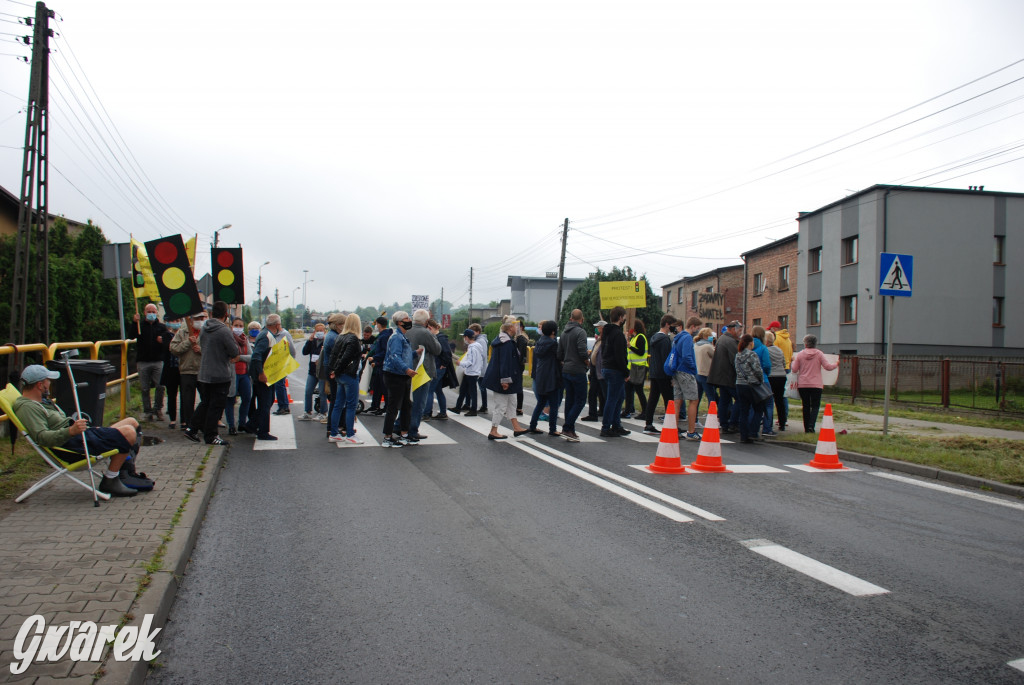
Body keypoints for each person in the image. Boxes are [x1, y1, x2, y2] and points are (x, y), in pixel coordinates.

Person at [14, 365, 143, 497]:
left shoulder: (42, 402)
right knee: (129, 432)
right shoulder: (28, 407)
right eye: (48, 381)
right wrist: (71, 431)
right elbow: (42, 437)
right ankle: (110, 480)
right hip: (73, 447)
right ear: (40, 385)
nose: (50, 383)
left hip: (80, 437)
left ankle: (124, 470)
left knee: (132, 422)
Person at [184, 301, 239, 446]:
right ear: (226, 315)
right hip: (220, 374)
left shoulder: (204, 328)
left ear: (212, 313)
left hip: (204, 373)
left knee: (205, 403)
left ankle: (192, 428)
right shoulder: (224, 330)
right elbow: (234, 351)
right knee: (216, 406)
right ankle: (211, 435)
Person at [483, 316, 527, 440]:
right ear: (510, 327)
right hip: (503, 379)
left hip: (505, 378)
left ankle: (516, 427)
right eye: (516, 324)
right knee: (501, 406)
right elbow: (505, 363)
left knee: (512, 403)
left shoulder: (505, 340)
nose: (518, 327)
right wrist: (505, 381)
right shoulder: (506, 343)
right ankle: (493, 430)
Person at [402, 309, 441, 441]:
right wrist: (433, 334)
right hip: (422, 370)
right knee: (419, 403)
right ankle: (413, 430)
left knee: (406, 401)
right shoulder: (425, 333)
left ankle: (400, 425)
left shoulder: (407, 330)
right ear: (426, 321)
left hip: (407, 369)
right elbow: (437, 349)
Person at [246, 313, 287, 441]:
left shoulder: (266, 334)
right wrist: (261, 373)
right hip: (264, 375)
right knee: (265, 403)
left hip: (267, 374)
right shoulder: (265, 336)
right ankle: (262, 431)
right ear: (277, 325)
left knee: (268, 402)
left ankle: (252, 425)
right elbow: (257, 356)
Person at [380, 311, 418, 447]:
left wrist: (415, 353)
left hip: (402, 375)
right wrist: (406, 369)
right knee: (393, 406)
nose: (410, 320)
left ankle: (404, 434)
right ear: (400, 322)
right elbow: (395, 356)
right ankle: (387, 436)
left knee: (406, 405)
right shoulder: (396, 337)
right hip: (395, 375)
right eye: (407, 318)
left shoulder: (402, 336)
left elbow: (403, 355)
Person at [790, 334, 839, 433]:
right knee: (815, 406)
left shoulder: (800, 354)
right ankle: (811, 426)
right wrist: (836, 364)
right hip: (816, 384)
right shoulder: (819, 354)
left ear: (805, 343)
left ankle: (806, 427)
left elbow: (794, 370)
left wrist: (792, 362)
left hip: (803, 384)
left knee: (806, 406)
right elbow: (827, 367)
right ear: (815, 343)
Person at [328, 313, 364, 444]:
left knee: (338, 404)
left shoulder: (340, 337)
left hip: (339, 375)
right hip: (349, 374)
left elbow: (334, 356)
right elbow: (346, 358)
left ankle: (334, 433)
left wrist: (333, 371)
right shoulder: (354, 339)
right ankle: (350, 434)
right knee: (351, 406)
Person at [169, 310, 207, 432]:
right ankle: (190, 425)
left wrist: (200, 349)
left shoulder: (207, 332)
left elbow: (212, 350)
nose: (200, 321)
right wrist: (188, 343)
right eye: (197, 319)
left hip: (203, 371)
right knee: (187, 401)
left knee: (206, 399)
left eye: (202, 318)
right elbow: (173, 348)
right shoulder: (183, 332)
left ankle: (203, 423)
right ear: (191, 320)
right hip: (187, 371)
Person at [132, 303, 167, 421]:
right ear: (144, 312)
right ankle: (147, 411)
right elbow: (131, 335)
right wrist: (134, 322)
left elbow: (168, 341)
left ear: (157, 312)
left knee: (160, 386)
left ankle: (158, 409)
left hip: (158, 360)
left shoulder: (162, 327)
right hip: (143, 361)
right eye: (149, 311)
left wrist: (163, 340)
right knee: (145, 388)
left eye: (153, 311)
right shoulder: (139, 325)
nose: (151, 313)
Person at [669, 316, 703, 440]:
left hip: (676, 371)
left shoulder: (678, 337)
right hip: (686, 371)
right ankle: (691, 431)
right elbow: (687, 356)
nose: (697, 331)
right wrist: (693, 369)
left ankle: (673, 429)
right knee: (694, 400)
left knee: (677, 401)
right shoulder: (688, 338)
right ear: (692, 326)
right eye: (697, 328)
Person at [557, 309, 589, 443]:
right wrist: (587, 361)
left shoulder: (564, 333)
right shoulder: (581, 332)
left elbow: (559, 354)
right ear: (581, 320)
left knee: (570, 400)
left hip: (566, 369)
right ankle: (567, 426)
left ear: (571, 319)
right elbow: (582, 351)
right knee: (581, 400)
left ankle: (570, 429)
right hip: (578, 370)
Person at [642, 314, 676, 435]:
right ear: (667, 324)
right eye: (672, 326)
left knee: (653, 398)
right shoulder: (665, 340)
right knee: (669, 400)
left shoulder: (654, 337)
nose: (673, 329)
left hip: (654, 372)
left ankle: (648, 423)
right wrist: (671, 376)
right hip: (663, 374)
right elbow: (667, 359)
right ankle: (671, 425)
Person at [529, 320, 563, 437]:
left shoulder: (539, 342)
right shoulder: (553, 344)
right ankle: (552, 429)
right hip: (552, 375)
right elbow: (560, 358)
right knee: (554, 404)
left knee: (541, 402)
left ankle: (533, 425)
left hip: (541, 375)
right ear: (553, 331)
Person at [600, 306, 630, 438]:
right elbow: (619, 355)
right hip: (615, 369)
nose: (624, 319)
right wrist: (626, 371)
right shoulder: (617, 334)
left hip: (607, 367)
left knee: (619, 397)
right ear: (620, 317)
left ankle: (616, 425)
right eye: (624, 316)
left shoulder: (607, 332)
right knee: (612, 399)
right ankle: (606, 427)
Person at [733, 334, 768, 444]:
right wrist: (761, 381)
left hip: (740, 384)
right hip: (752, 385)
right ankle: (753, 432)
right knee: (758, 409)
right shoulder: (752, 354)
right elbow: (758, 370)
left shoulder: (738, 355)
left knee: (744, 411)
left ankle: (744, 435)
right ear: (750, 343)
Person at [708, 320, 741, 432]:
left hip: (721, 376)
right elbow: (735, 360)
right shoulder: (730, 342)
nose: (740, 332)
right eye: (739, 330)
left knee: (724, 400)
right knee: (739, 399)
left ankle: (724, 423)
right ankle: (733, 422)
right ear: (732, 330)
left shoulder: (722, 339)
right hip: (728, 376)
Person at [224, 317, 252, 436]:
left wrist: (240, 358)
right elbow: (227, 356)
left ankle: (242, 423)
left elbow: (251, 356)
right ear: (231, 326)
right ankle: (231, 426)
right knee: (230, 399)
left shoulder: (245, 340)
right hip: (232, 374)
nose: (238, 328)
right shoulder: (228, 338)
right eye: (236, 325)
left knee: (247, 398)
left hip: (244, 373)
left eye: (241, 326)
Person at [423, 319, 453, 421]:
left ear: (430, 328)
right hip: (438, 367)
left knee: (429, 390)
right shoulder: (440, 338)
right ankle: (443, 412)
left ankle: (427, 413)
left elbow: (447, 353)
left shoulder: (439, 338)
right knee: (437, 390)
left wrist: (443, 364)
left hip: (438, 367)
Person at [299, 323, 327, 421]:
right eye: (317, 331)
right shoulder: (312, 341)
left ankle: (323, 412)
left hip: (322, 371)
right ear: (314, 332)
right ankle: (307, 411)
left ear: (325, 331)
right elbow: (304, 352)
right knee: (308, 391)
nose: (319, 332)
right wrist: (309, 341)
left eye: (321, 330)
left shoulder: (326, 342)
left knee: (322, 392)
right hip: (312, 371)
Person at [750, 325, 774, 437]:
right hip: (762, 379)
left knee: (751, 405)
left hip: (748, 380)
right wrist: (766, 374)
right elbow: (767, 364)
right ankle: (767, 428)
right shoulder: (763, 348)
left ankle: (749, 429)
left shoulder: (747, 346)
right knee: (768, 404)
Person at [452, 329, 483, 415]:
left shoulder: (472, 348)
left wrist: (460, 363)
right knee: (464, 390)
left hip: (471, 372)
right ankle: (458, 407)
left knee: (472, 392)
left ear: (466, 337)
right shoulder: (478, 346)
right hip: (472, 372)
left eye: (464, 337)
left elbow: (470, 362)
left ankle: (473, 410)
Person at [160, 316, 183, 429]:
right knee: (172, 394)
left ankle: (184, 420)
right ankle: (173, 419)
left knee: (184, 395)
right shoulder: (166, 335)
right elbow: (169, 347)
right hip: (170, 369)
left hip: (182, 369)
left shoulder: (184, 334)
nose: (176, 323)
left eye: (178, 321)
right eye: (174, 320)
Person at [623, 319, 648, 419]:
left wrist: (630, 346)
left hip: (639, 367)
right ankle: (627, 410)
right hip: (633, 367)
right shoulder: (634, 338)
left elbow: (641, 352)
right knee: (628, 390)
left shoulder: (640, 337)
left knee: (639, 390)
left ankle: (645, 411)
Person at [581, 321, 606, 422]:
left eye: (598, 327)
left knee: (601, 392)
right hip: (595, 369)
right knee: (594, 392)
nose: (597, 329)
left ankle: (600, 412)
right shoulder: (599, 339)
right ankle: (595, 412)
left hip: (600, 369)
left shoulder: (605, 339)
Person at [367, 316, 392, 414]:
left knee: (383, 387)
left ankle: (386, 407)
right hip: (379, 364)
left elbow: (385, 351)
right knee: (376, 386)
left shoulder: (384, 336)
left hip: (382, 364)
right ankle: (375, 405)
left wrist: (374, 358)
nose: (376, 326)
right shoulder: (383, 335)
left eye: (376, 324)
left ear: (379, 324)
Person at [765, 330, 788, 431]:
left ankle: (768, 423)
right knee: (780, 401)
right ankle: (782, 423)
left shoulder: (766, 350)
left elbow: (766, 364)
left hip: (771, 376)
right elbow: (783, 362)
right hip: (781, 376)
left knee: (768, 401)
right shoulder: (779, 350)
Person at [271, 325, 296, 415]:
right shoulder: (274, 334)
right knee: (279, 385)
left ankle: (284, 407)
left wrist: (290, 361)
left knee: (279, 385)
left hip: (282, 363)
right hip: (275, 363)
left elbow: (292, 349)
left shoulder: (284, 334)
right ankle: (284, 406)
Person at [694, 327, 717, 418]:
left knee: (697, 398)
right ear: (707, 336)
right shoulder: (708, 346)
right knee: (711, 397)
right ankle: (712, 417)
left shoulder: (696, 345)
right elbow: (715, 356)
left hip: (698, 373)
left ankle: (695, 419)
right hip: (706, 374)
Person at [469, 323, 488, 413]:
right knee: (476, 387)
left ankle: (484, 406)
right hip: (477, 368)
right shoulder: (477, 340)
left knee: (482, 387)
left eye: (473, 332)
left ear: (478, 332)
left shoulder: (481, 341)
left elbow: (483, 355)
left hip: (480, 369)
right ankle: (470, 404)